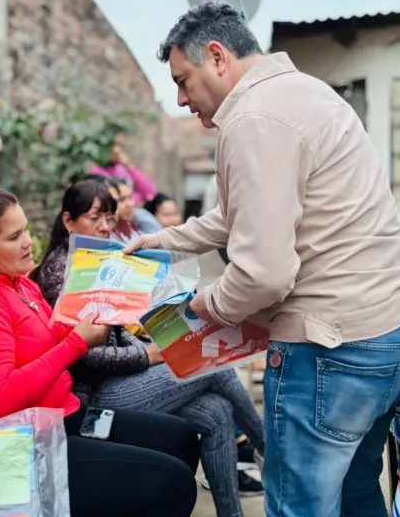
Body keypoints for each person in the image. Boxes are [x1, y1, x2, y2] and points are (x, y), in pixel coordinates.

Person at [126, 1, 400, 517]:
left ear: (217, 57)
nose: (180, 100)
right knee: (356, 486)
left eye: (183, 80)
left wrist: (203, 307)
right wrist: (166, 241)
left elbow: (263, 276)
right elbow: (241, 215)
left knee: (299, 503)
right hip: (395, 329)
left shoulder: (254, 119)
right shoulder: (304, 92)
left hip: (333, 348)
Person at [0, 184, 199, 517]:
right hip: (19, 449)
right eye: (13, 238)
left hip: (62, 416)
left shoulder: (21, 284)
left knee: (183, 437)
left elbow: (51, 332)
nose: (28, 241)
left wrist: (108, 307)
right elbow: (0, 397)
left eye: (25, 229)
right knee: (175, 483)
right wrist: (78, 342)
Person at [35, 179, 266, 516]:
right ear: (68, 220)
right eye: (95, 218)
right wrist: (149, 355)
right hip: (95, 396)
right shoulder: (62, 273)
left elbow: (115, 328)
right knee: (213, 366)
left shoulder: (94, 259)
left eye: (110, 219)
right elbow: (84, 354)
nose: (104, 227)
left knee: (217, 411)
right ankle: (269, 453)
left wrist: (155, 345)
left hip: (119, 380)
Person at [89, 144, 158, 206]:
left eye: (120, 152)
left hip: (130, 210)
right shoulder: (97, 171)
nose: (118, 156)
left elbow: (150, 191)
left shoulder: (121, 168)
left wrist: (129, 167)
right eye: (114, 153)